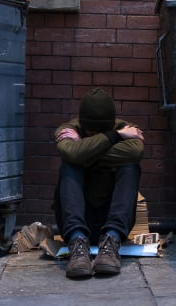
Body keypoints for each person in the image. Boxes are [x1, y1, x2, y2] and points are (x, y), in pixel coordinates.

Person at [53, 88, 145, 278]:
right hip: (76, 222)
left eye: (101, 132)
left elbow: (136, 152)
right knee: (69, 167)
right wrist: (114, 138)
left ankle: (111, 243)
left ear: (111, 125)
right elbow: (71, 154)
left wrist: (84, 151)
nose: (95, 135)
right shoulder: (68, 129)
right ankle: (78, 245)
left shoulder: (128, 127)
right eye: (91, 132)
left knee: (130, 168)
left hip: (113, 222)